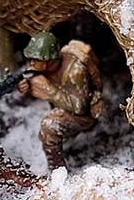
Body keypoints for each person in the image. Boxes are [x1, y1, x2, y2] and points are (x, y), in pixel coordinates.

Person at [17, 31, 104, 170]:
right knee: (49, 129)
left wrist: (49, 90)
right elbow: (31, 89)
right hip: (62, 109)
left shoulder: (75, 71)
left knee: (49, 125)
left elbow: (80, 107)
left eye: (36, 59)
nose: (31, 63)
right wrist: (26, 89)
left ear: (49, 59)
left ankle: (57, 169)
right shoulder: (40, 68)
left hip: (83, 117)